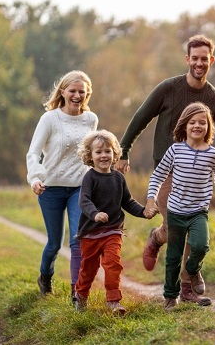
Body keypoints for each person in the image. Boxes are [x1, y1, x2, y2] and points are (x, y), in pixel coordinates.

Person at [116, 34, 215, 303]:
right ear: (187, 59)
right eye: (195, 58)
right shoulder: (168, 89)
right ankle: (157, 238)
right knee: (174, 226)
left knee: (194, 227)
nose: (199, 63)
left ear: (211, 61)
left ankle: (187, 286)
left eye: (205, 59)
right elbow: (140, 118)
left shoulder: (214, 98)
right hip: (168, 170)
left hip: (198, 176)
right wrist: (124, 150)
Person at [145, 102, 215, 311]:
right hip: (175, 212)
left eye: (202, 123)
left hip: (198, 211)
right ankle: (170, 297)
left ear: (209, 127)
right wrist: (151, 198)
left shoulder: (212, 154)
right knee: (173, 256)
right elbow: (158, 175)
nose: (197, 126)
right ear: (184, 125)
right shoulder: (175, 150)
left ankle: (192, 272)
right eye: (192, 122)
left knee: (201, 245)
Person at [26, 70, 98, 302]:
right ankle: (45, 277)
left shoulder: (90, 119)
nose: (77, 95)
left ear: (87, 94)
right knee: (54, 244)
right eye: (73, 91)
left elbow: (91, 153)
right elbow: (34, 152)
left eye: (81, 92)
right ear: (63, 92)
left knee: (78, 240)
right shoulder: (50, 119)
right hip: (51, 188)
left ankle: (77, 292)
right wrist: (35, 178)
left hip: (80, 187)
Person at [73, 130, 157, 314]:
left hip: (112, 231)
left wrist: (144, 211)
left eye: (107, 151)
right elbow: (84, 201)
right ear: (90, 155)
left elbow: (127, 202)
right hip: (91, 233)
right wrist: (95, 214)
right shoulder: (90, 178)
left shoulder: (118, 178)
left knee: (113, 263)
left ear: (114, 154)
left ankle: (113, 301)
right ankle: (80, 295)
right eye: (98, 152)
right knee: (89, 269)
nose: (103, 155)